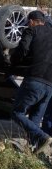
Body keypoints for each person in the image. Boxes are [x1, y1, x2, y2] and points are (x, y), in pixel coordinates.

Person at [10, 10, 52, 153]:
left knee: (17, 112)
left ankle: (42, 136)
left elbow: (23, 49)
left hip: (35, 80)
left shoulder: (31, 30)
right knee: (35, 117)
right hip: (50, 86)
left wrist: (13, 62)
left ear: (32, 21)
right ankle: (32, 148)